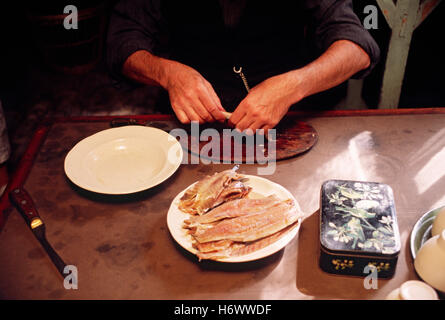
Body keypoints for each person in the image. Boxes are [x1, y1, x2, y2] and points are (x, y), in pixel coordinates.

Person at [107, 0, 380, 133]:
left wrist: (293, 86)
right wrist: (167, 74)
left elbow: (357, 48)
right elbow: (121, 42)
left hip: (285, 125)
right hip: (192, 123)